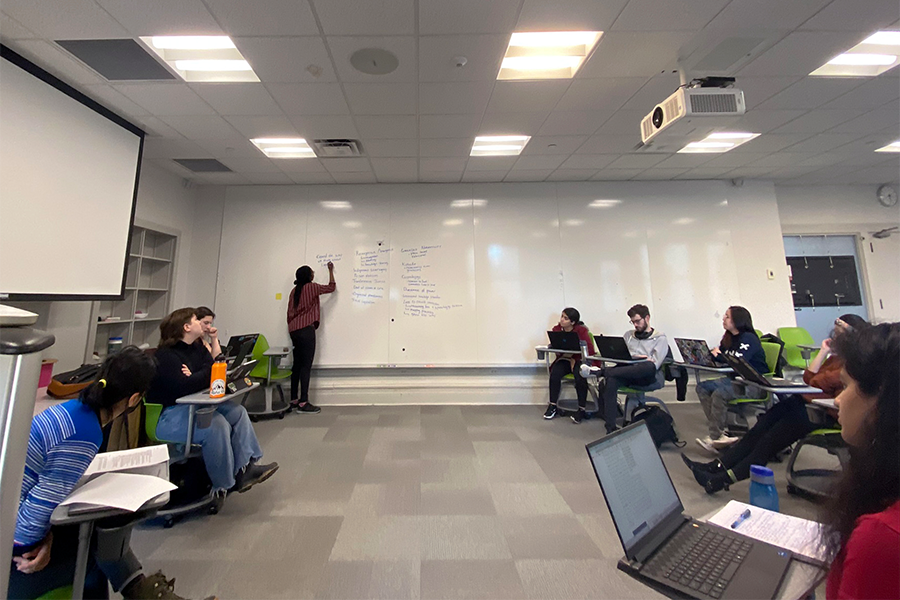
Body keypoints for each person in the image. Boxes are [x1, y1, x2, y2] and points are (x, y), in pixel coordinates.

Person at [9, 347, 215, 600]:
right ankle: (146, 593)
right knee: (98, 546)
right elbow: (36, 509)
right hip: (15, 544)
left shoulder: (76, 411)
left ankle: (145, 592)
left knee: (100, 538)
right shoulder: (85, 434)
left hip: (13, 513)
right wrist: (37, 546)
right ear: (134, 399)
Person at [682, 314, 868, 493]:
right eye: (834, 333)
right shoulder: (836, 357)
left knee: (769, 441)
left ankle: (721, 479)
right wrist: (824, 351)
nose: (834, 338)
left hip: (827, 413)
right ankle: (717, 466)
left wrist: (816, 379)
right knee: (760, 428)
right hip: (808, 403)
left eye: (838, 334)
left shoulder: (856, 362)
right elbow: (808, 377)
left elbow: (820, 381)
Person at [146, 307, 278, 499]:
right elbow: (185, 387)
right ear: (186, 327)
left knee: (238, 412)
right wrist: (205, 373)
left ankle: (245, 468)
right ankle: (224, 484)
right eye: (196, 320)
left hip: (195, 405)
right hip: (168, 415)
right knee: (216, 424)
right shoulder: (166, 356)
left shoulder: (197, 348)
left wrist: (198, 375)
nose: (203, 324)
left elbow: (216, 368)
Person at [821, 322, 899, 600]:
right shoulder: (884, 484)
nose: (838, 400)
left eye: (845, 386)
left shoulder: (881, 537)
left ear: (881, 402)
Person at [695, 306, 768, 452]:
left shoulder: (749, 338)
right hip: (735, 380)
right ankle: (720, 432)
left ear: (738, 320)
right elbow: (721, 358)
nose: (723, 318)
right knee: (702, 387)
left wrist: (718, 355)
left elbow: (738, 360)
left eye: (727, 316)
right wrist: (706, 355)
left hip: (754, 383)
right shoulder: (728, 338)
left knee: (719, 393)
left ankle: (716, 436)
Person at [591, 304, 670, 435]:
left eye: (638, 321)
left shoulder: (660, 338)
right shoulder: (628, 335)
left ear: (647, 318)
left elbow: (654, 364)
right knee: (610, 381)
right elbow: (623, 356)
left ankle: (602, 372)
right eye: (632, 322)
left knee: (648, 366)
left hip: (646, 376)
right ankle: (610, 427)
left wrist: (641, 359)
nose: (635, 325)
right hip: (626, 372)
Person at [287, 261, 336, 414]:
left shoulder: (294, 291)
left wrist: (293, 327)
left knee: (296, 365)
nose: (314, 274)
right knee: (306, 366)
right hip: (306, 331)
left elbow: (289, 313)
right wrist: (330, 270)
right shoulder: (312, 287)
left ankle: (294, 399)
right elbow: (331, 287)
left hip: (294, 330)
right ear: (308, 276)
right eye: (312, 272)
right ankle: (304, 402)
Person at [543, 307, 596, 424]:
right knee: (555, 373)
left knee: (579, 374)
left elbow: (589, 350)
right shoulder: (557, 330)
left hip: (579, 360)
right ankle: (553, 406)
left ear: (572, 322)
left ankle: (581, 408)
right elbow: (558, 349)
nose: (562, 320)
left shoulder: (581, 331)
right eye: (562, 316)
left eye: (565, 318)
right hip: (565, 359)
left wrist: (574, 359)